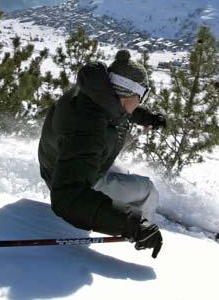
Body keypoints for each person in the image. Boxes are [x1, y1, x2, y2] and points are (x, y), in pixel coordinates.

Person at [38, 49, 166, 258]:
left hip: (61, 163)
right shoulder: (89, 129)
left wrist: (146, 118)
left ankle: (129, 212)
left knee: (123, 172)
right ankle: (146, 232)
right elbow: (67, 197)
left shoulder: (95, 95)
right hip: (69, 180)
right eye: (142, 95)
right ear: (128, 92)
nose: (141, 102)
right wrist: (132, 224)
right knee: (148, 189)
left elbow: (121, 110)